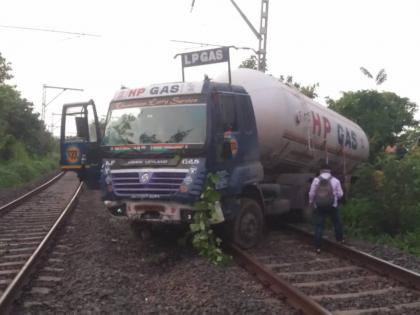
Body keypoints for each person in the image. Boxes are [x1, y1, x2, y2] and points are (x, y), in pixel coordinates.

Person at [309, 163, 344, 253]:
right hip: (332, 205)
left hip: (319, 206)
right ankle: (340, 240)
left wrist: (311, 202)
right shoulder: (336, 180)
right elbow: (340, 194)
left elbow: (312, 193)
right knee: (336, 223)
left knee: (319, 226)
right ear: (330, 170)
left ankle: (318, 247)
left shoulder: (316, 180)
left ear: (321, 170)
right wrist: (334, 198)